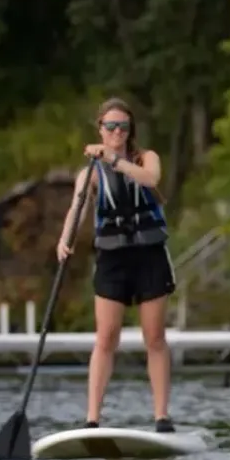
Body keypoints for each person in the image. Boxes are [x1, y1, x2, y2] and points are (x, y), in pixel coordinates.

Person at [57, 97, 176, 431]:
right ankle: (93, 418)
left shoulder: (145, 158)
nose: (117, 132)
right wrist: (64, 240)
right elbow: (76, 209)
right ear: (100, 129)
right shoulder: (90, 172)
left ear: (130, 130)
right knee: (106, 337)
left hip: (149, 254)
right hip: (112, 257)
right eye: (110, 126)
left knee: (154, 336)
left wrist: (114, 160)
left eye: (123, 126)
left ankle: (161, 416)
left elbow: (150, 179)